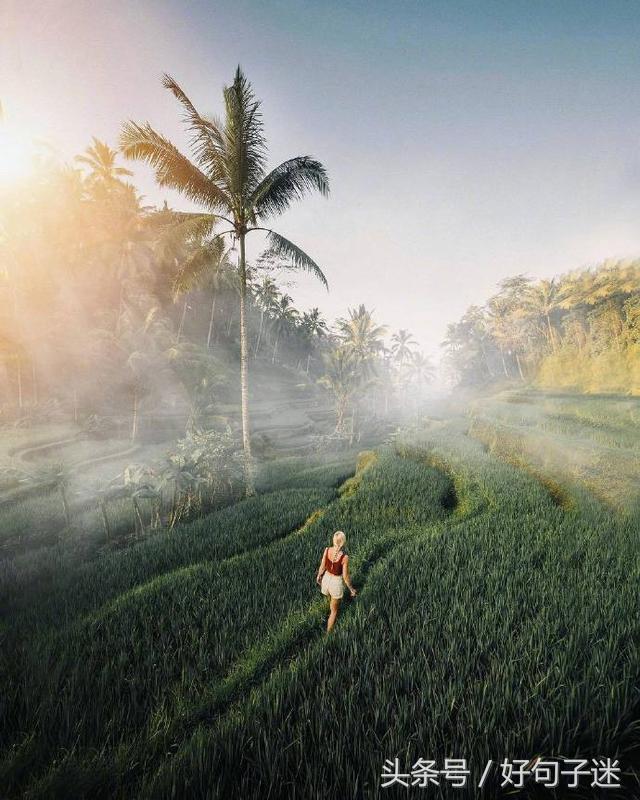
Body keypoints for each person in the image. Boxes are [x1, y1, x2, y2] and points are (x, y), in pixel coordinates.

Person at [316, 530, 357, 632]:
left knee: (331, 598)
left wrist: (319, 576)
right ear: (343, 542)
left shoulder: (327, 550)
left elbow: (322, 566)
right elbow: (345, 577)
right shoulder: (344, 557)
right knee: (334, 612)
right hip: (335, 583)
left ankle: (330, 605)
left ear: (333, 540)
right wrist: (351, 589)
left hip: (326, 579)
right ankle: (328, 636)